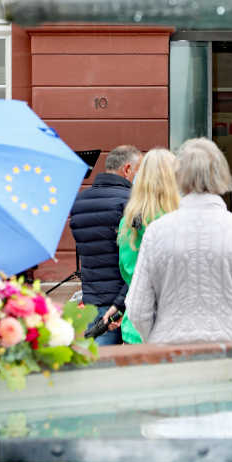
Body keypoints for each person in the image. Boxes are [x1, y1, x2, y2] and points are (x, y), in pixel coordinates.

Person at [125, 137, 232, 344]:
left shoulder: (156, 232)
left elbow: (137, 308)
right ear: (221, 175)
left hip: (169, 357)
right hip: (229, 356)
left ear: (179, 176)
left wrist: (159, 338)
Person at [69, 144, 142, 345]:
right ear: (127, 169)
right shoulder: (131, 202)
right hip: (124, 303)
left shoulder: (79, 202)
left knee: (100, 366)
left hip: (93, 298)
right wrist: (120, 303)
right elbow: (136, 260)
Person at [117, 148, 180, 344]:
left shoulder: (128, 220)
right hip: (174, 326)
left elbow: (127, 271)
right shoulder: (179, 220)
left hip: (135, 327)